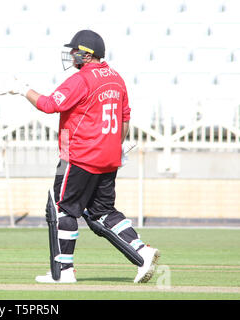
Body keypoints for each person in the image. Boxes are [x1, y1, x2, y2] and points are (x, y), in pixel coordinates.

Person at [9, 29, 160, 283]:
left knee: (62, 209)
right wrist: (115, 146)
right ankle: (142, 251)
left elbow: (49, 105)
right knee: (104, 212)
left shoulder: (82, 79)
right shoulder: (116, 78)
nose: (71, 55)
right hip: (109, 157)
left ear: (86, 54)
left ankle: (64, 270)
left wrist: (24, 90)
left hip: (78, 156)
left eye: (75, 51)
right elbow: (124, 120)